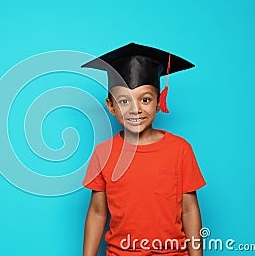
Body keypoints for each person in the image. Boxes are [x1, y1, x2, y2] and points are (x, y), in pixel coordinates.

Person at [81, 43, 206, 256]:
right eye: (123, 101)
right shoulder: (104, 153)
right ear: (111, 106)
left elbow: (189, 209)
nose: (135, 109)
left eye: (145, 99)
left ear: (159, 102)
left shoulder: (180, 150)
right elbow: (97, 211)